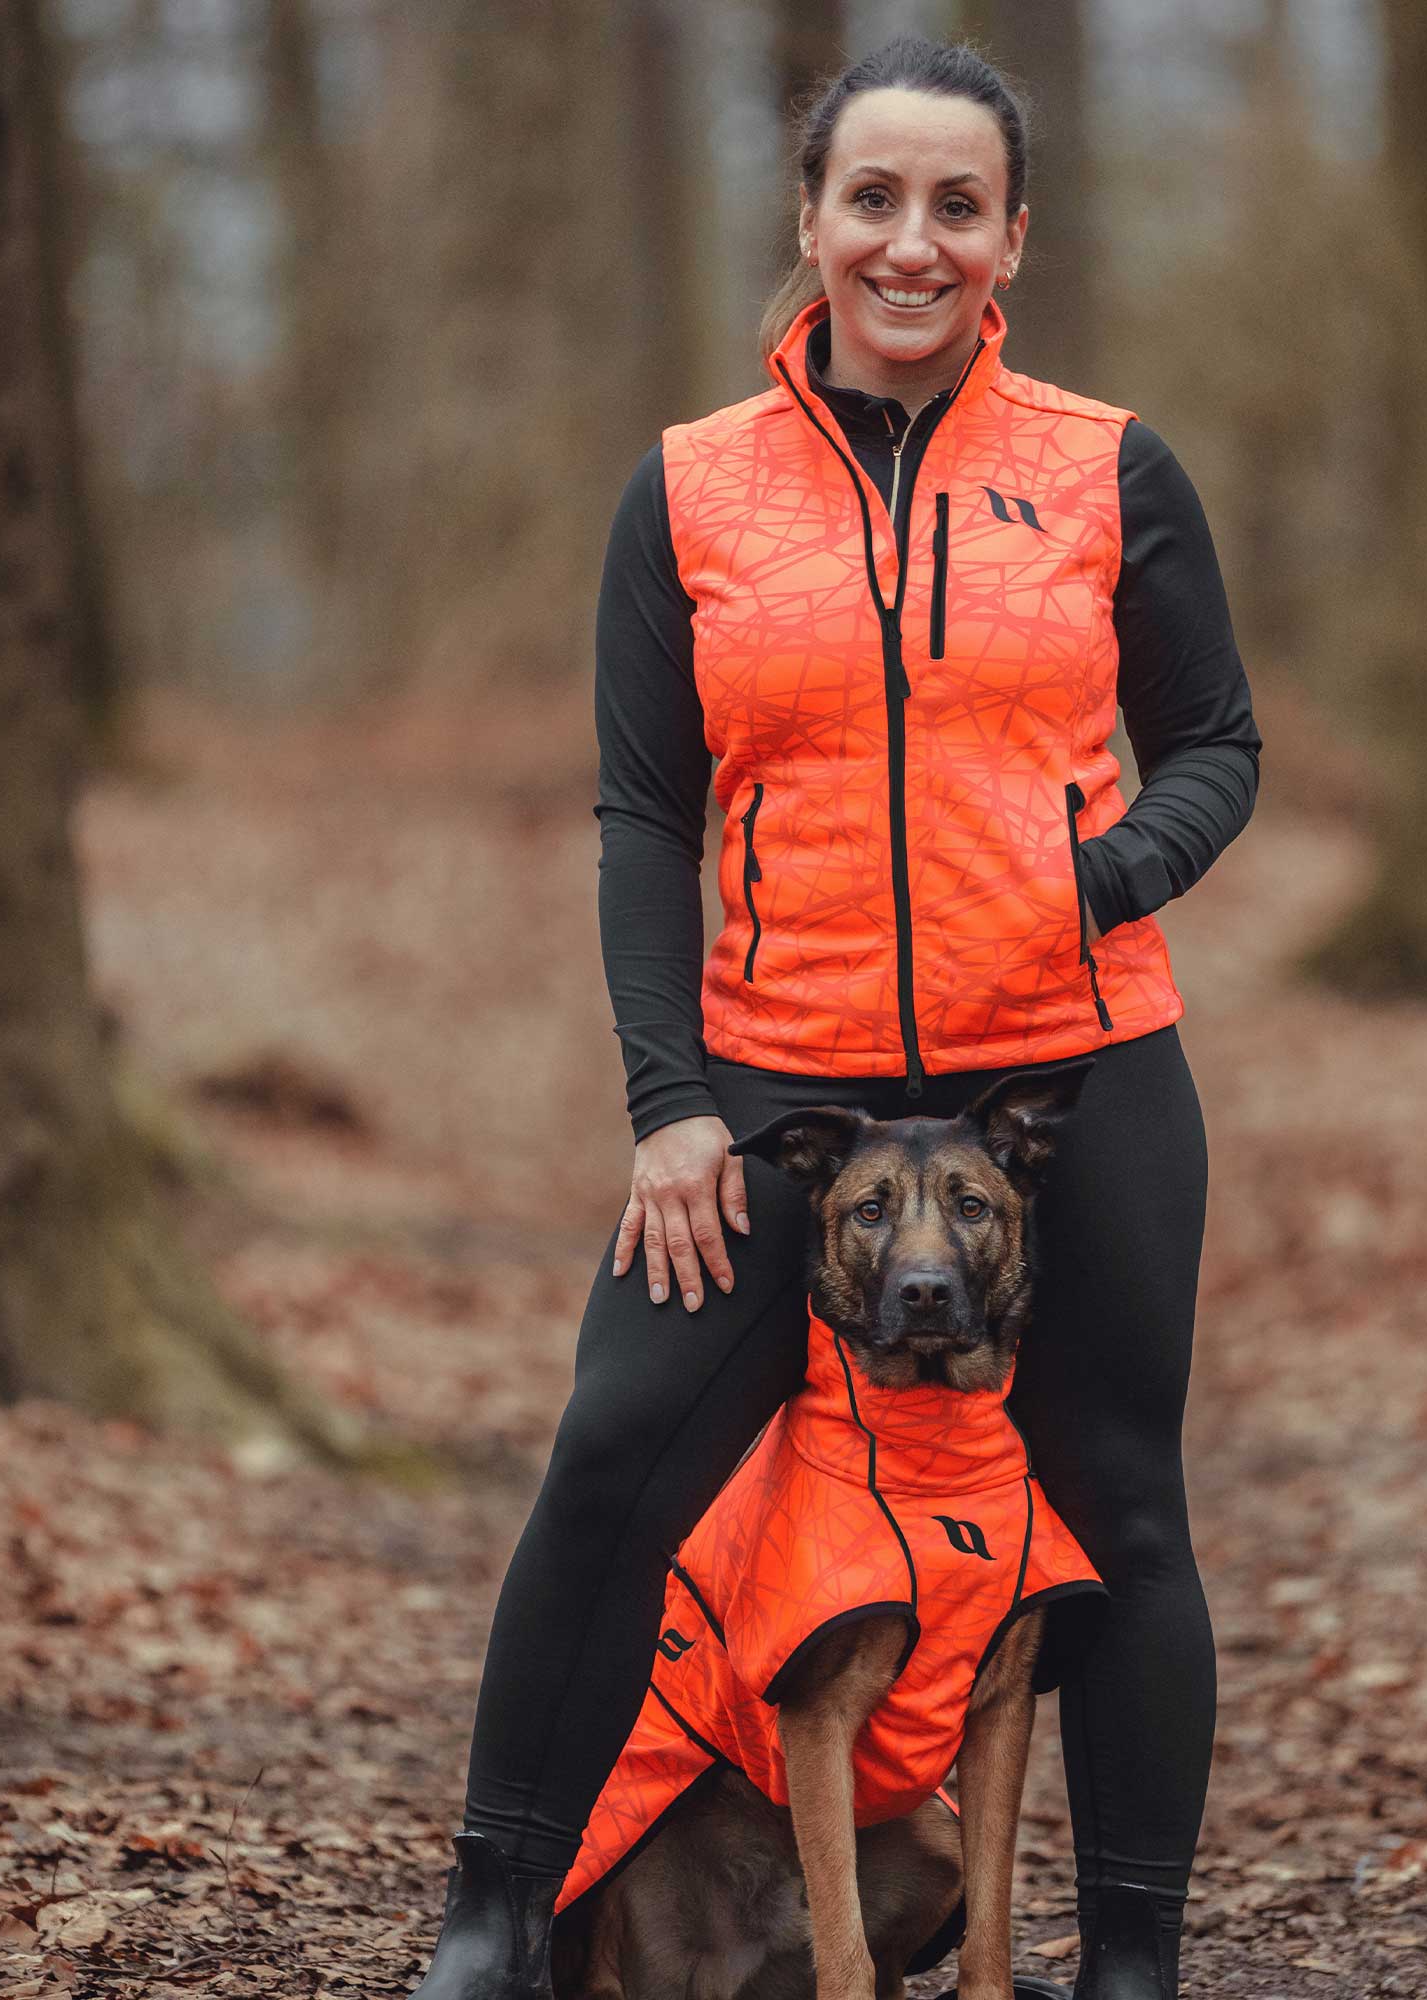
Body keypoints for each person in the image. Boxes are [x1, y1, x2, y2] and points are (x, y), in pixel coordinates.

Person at [408, 32, 1260, 2000]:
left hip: (1073, 1065)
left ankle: (1128, 1961)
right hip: (777, 1075)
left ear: (1010, 239)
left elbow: (1214, 739)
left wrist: (1111, 871)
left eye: (955, 204)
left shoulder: (1107, 468)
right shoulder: (690, 490)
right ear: (809, 221)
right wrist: (666, 1101)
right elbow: (643, 812)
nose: (910, 239)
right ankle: (492, 1919)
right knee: (619, 1440)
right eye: (871, 197)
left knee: (1121, 1501)